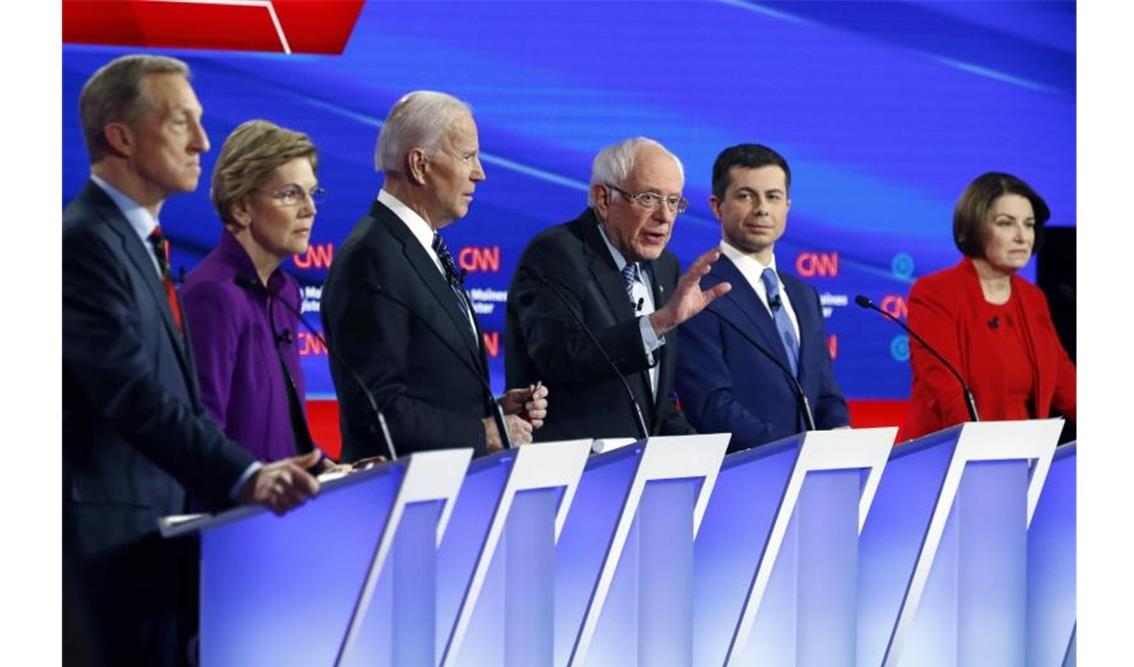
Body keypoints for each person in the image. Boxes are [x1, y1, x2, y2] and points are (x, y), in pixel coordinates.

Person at [63, 55, 321, 667]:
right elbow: (132, 394)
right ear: (121, 136)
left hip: (151, 550)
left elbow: (174, 399)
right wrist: (245, 475)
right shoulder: (84, 241)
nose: (203, 143)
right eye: (182, 122)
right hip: (106, 553)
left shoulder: (142, 242)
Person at [321, 90, 547, 459]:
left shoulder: (417, 246)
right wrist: (481, 432)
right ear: (419, 165)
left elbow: (427, 386)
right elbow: (377, 411)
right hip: (399, 498)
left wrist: (495, 412)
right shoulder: (372, 256)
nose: (480, 172)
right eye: (467, 156)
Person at [505, 137, 730, 441]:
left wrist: (709, 456)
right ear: (604, 199)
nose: (665, 216)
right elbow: (559, 359)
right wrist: (659, 322)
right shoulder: (557, 253)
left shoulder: (666, 266)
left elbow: (652, 400)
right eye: (649, 198)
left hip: (637, 469)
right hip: (576, 467)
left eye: (674, 201)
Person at [674, 144, 849, 451]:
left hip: (811, 476)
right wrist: (793, 448)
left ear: (787, 207)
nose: (762, 208)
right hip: (742, 474)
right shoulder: (699, 292)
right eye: (745, 196)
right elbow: (710, 404)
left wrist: (838, 430)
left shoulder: (803, 295)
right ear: (717, 206)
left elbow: (824, 391)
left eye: (773, 196)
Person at [181, 119, 328, 464]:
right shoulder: (212, 296)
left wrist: (326, 469)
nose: (310, 208)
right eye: (292, 194)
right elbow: (203, 436)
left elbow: (283, 427)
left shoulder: (285, 292)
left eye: (312, 192)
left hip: (282, 509)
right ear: (241, 207)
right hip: (235, 511)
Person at [900, 172, 1076, 440]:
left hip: (1025, 458)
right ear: (975, 227)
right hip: (954, 459)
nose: (1022, 236)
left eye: (1028, 225)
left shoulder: (1032, 299)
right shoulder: (936, 294)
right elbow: (946, 393)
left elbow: (1065, 381)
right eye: (1006, 224)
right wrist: (983, 459)